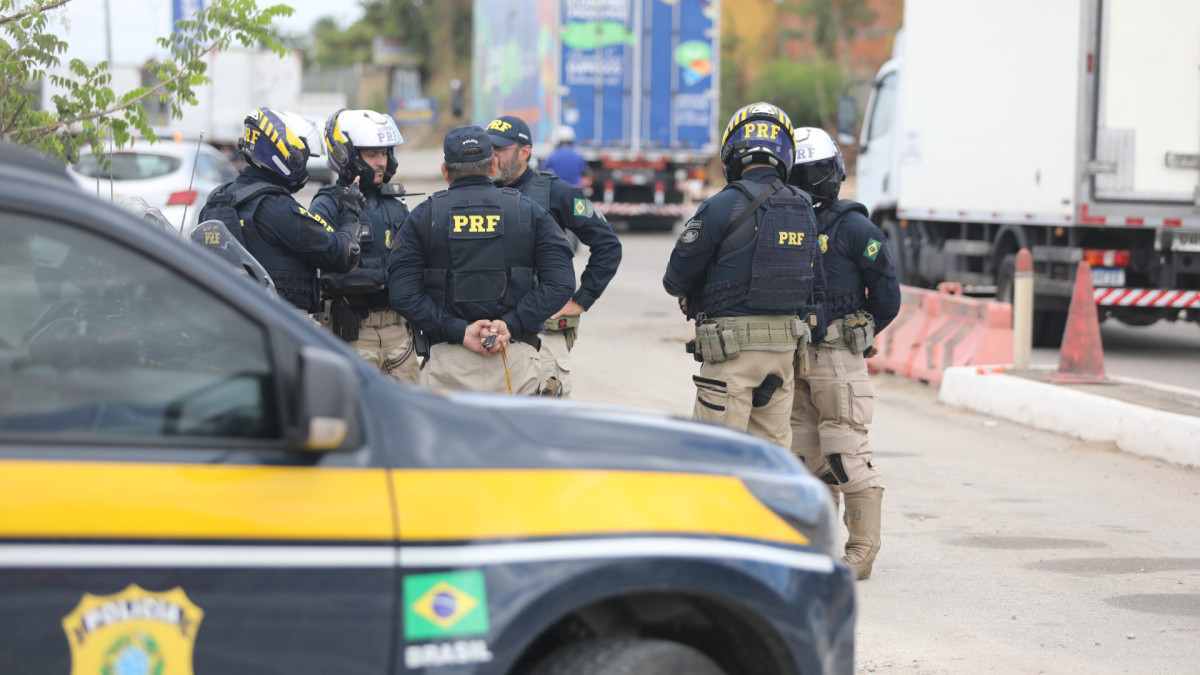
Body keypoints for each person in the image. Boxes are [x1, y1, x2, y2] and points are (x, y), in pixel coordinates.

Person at [663, 102, 823, 448]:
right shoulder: (804, 209)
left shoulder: (721, 205)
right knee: (770, 465)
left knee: (715, 463)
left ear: (732, 150)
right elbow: (814, 282)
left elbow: (674, 279)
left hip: (731, 354)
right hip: (783, 356)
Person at [787, 127, 901, 581]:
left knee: (844, 452)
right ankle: (820, 552)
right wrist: (865, 326)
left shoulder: (852, 226)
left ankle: (861, 554)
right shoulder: (797, 223)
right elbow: (888, 295)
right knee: (806, 456)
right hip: (800, 355)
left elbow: (886, 296)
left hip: (833, 357)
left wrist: (858, 329)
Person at [388, 125, 576, 394]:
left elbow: (402, 293)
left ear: (445, 171)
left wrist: (458, 330)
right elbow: (561, 283)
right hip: (515, 362)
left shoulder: (424, 217)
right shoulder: (528, 212)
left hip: (447, 365)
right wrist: (512, 323)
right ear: (493, 166)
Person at [485, 115, 622, 397]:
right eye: (489, 149)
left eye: (500, 149)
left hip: (541, 336)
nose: (492, 156)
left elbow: (608, 245)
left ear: (524, 152)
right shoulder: (475, 194)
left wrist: (582, 300)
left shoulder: (555, 192)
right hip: (488, 335)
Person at [198, 107, 360, 316]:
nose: (304, 168)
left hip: (226, 323)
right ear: (285, 155)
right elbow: (344, 255)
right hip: (278, 325)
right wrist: (350, 211)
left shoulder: (216, 201)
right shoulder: (277, 207)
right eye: (302, 159)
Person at [309, 109, 420, 383]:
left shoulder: (395, 205)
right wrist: (383, 278)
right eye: (372, 155)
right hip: (351, 336)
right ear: (347, 156)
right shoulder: (328, 204)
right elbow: (321, 273)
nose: (381, 162)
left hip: (399, 336)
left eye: (384, 153)